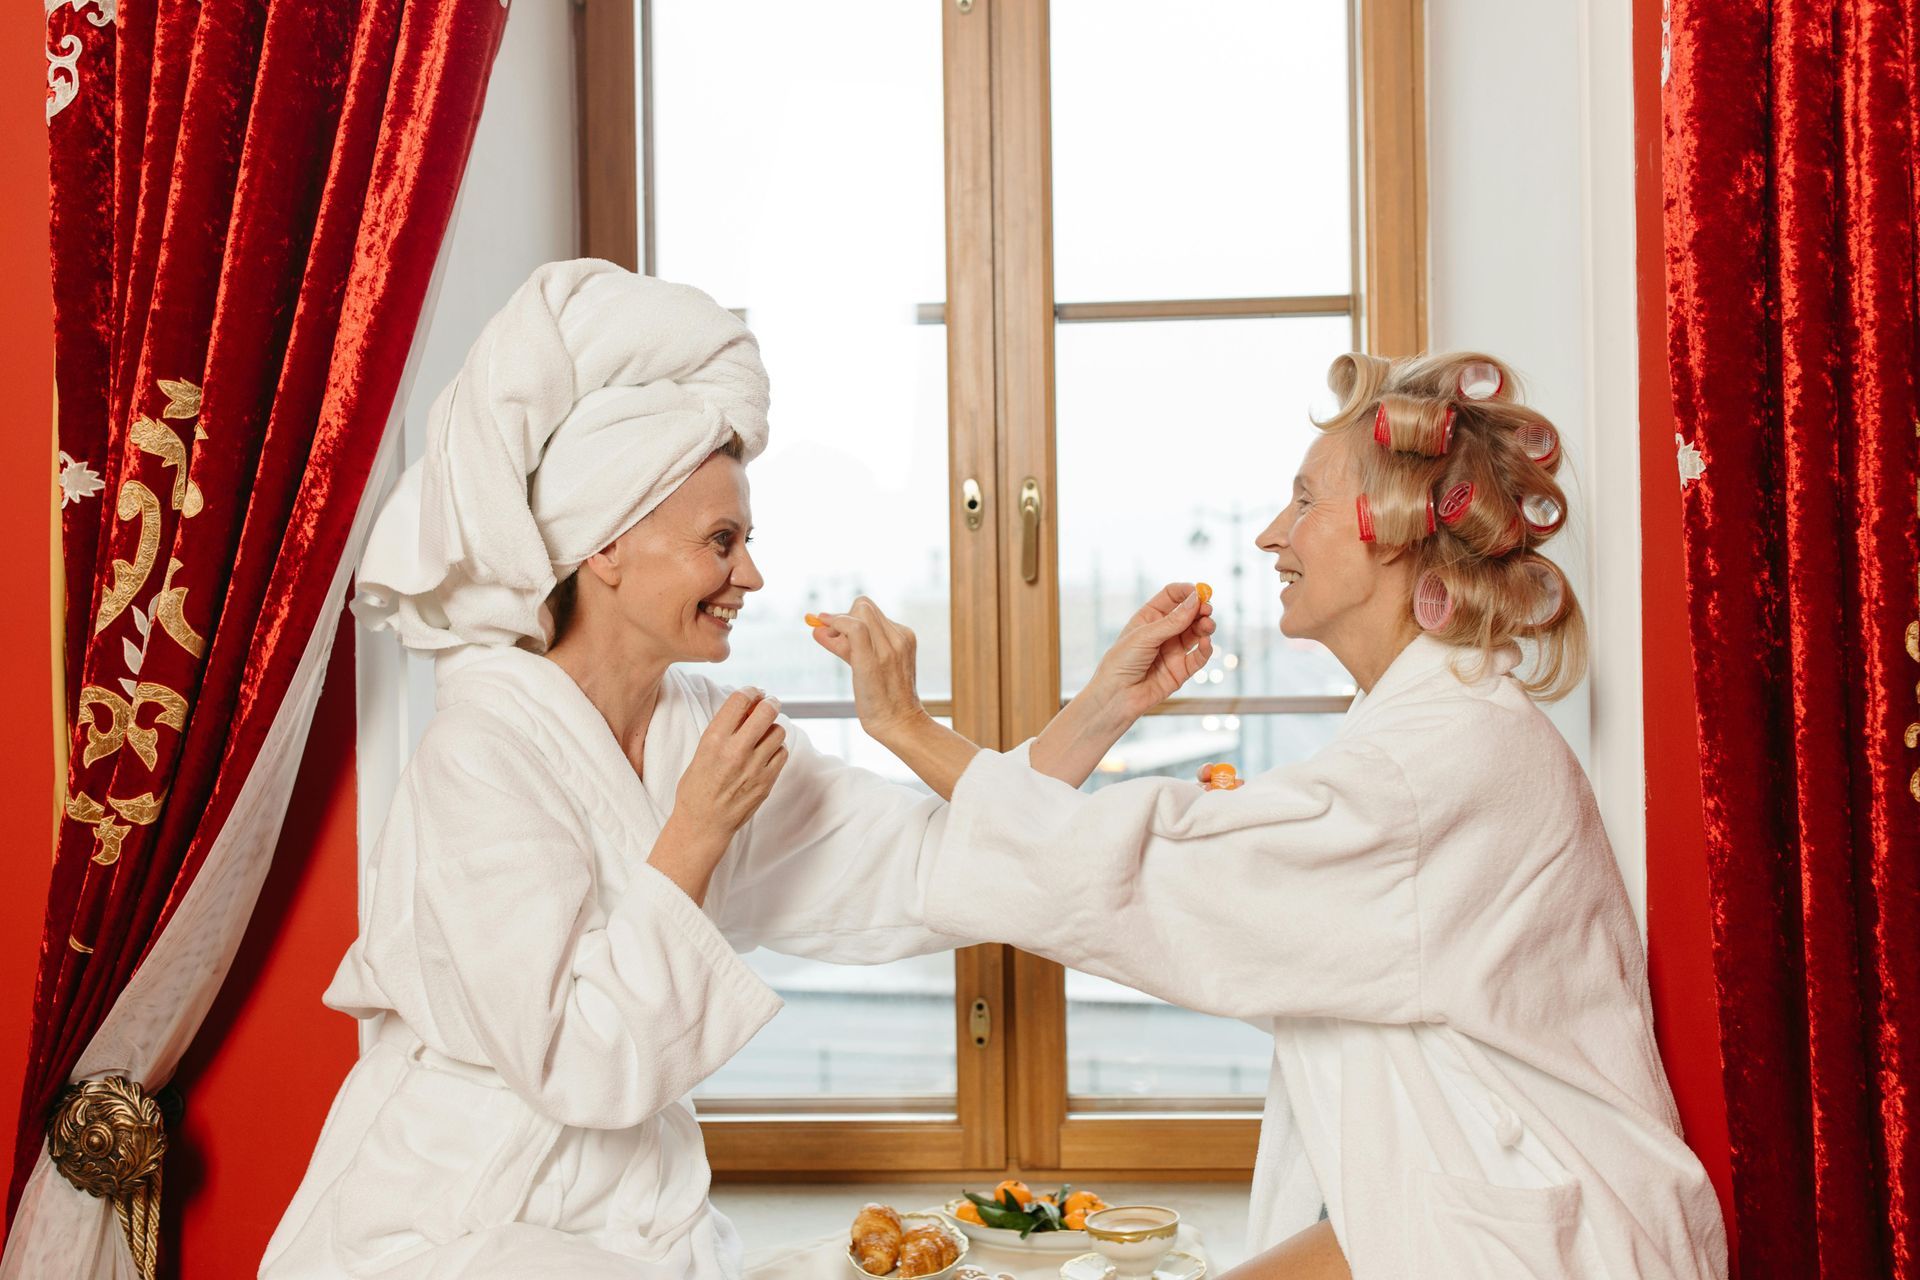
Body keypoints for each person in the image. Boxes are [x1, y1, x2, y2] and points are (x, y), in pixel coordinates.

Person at [261, 259, 1212, 1279]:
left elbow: (933, 868)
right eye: (722, 540)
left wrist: (1105, 704)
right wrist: (698, 831)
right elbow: (577, 1060)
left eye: (748, 540)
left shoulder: (698, 731)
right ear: (609, 546)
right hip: (459, 1223)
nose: (751, 575)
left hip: (636, 1220)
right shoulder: (481, 757)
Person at [817, 352, 1730, 1279]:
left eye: (1303, 502)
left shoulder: (1434, 763)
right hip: (1472, 1213)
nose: (1268, 535)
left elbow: (1146, 875)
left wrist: (903, 726)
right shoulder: (1432, 732)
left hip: (1542, 1238)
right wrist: (1106, 706)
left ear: (1401, 534)